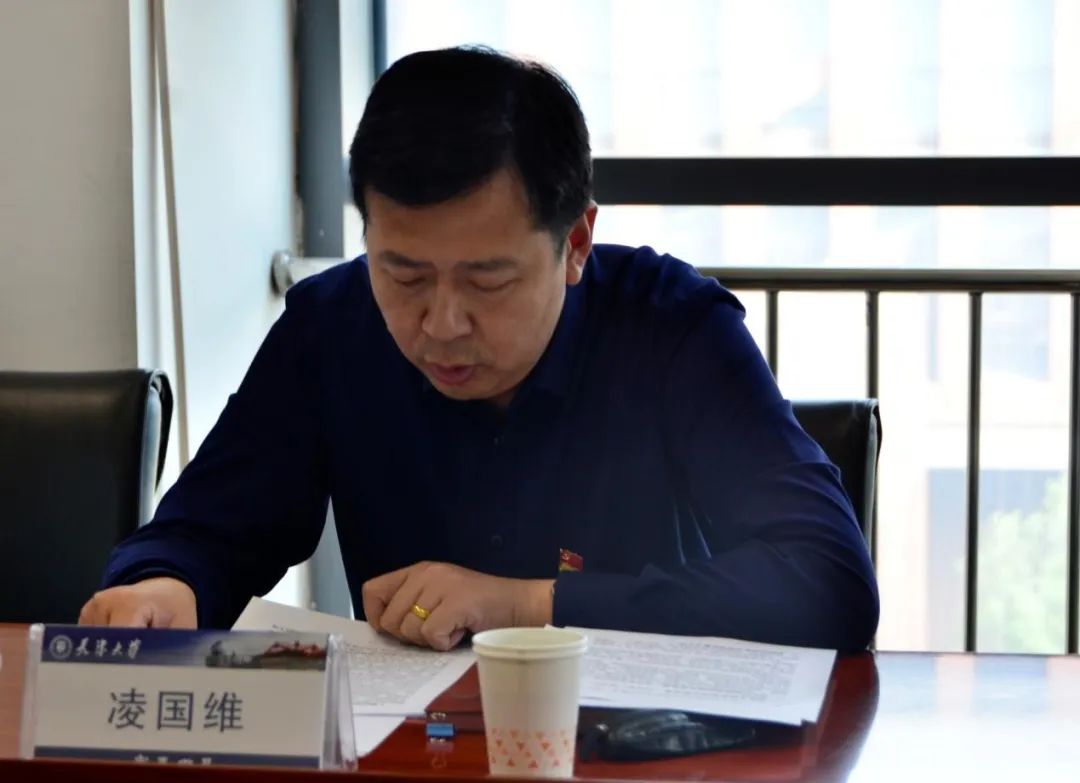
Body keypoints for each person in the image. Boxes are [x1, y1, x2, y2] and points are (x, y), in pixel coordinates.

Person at [80, 46, 878, 653]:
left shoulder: (673, 329)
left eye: (486, 280)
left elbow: (829, 579)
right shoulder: (332, 327)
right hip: (413, 750)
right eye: (404, 274)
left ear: (575, 243)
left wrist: (526, 605)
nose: (442, 324)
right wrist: (165, 585)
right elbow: (209, 528)